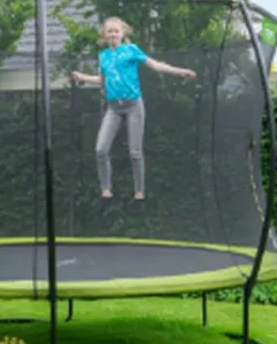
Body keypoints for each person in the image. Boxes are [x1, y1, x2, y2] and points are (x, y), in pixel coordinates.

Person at [70, 16, 197, 204]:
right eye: (109, 31)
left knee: (135, 152)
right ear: (104, 35)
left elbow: (155, 65)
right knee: (100, 149)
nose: (113, 34)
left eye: (116, 31)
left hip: (133, 106)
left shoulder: (131, 50)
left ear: (122, 33)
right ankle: (106, 188)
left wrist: (179, 71)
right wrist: (82, 77)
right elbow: (102, 81)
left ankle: (139, 190)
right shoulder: (104, 56)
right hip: (113, 107)